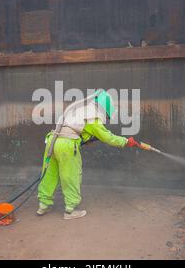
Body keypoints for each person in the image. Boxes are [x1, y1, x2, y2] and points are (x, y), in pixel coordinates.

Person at [37, 90, 139, 220]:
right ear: (104, 110)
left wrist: (84, 140)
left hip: (52, 140)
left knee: (49, 173)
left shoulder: (80, 110)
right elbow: (109, 138)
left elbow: (73, 129)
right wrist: (125, 141)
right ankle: (70, 210)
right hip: (67, 145)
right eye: (107, 117)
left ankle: (43, 205)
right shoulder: (94, 118)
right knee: (70, 175)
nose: (106, 120)